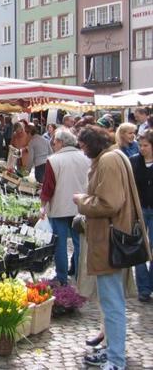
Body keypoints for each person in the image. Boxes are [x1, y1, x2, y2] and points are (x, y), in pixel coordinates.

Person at [74, 126, 151, 370]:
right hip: (114, 237)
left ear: (93, 143)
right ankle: (110, 351)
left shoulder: (108, 160)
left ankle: (116, 359)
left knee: (112, 303)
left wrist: (81, 201)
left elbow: (110, 203)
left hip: (109, 240)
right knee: (111, 302)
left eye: (84, 146)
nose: (82, 150)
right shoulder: (115, 155)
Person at [40, 129, 89, 285]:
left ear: (61, 142)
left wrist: (43, 206)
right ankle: (82, 276)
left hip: (60, 208)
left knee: (60, 244)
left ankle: (62, 277)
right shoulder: (86, 158)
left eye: (54, 142)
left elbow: (48, 187)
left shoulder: (54, 160)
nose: (53, 145)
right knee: (79, 242)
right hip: (80, 207)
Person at [130, 129, 153, 302]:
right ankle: (143, 287)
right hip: (139, 210)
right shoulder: (134, 162)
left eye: (146, 145)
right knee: (138, 248)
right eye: (140, 145)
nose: (142, 148)